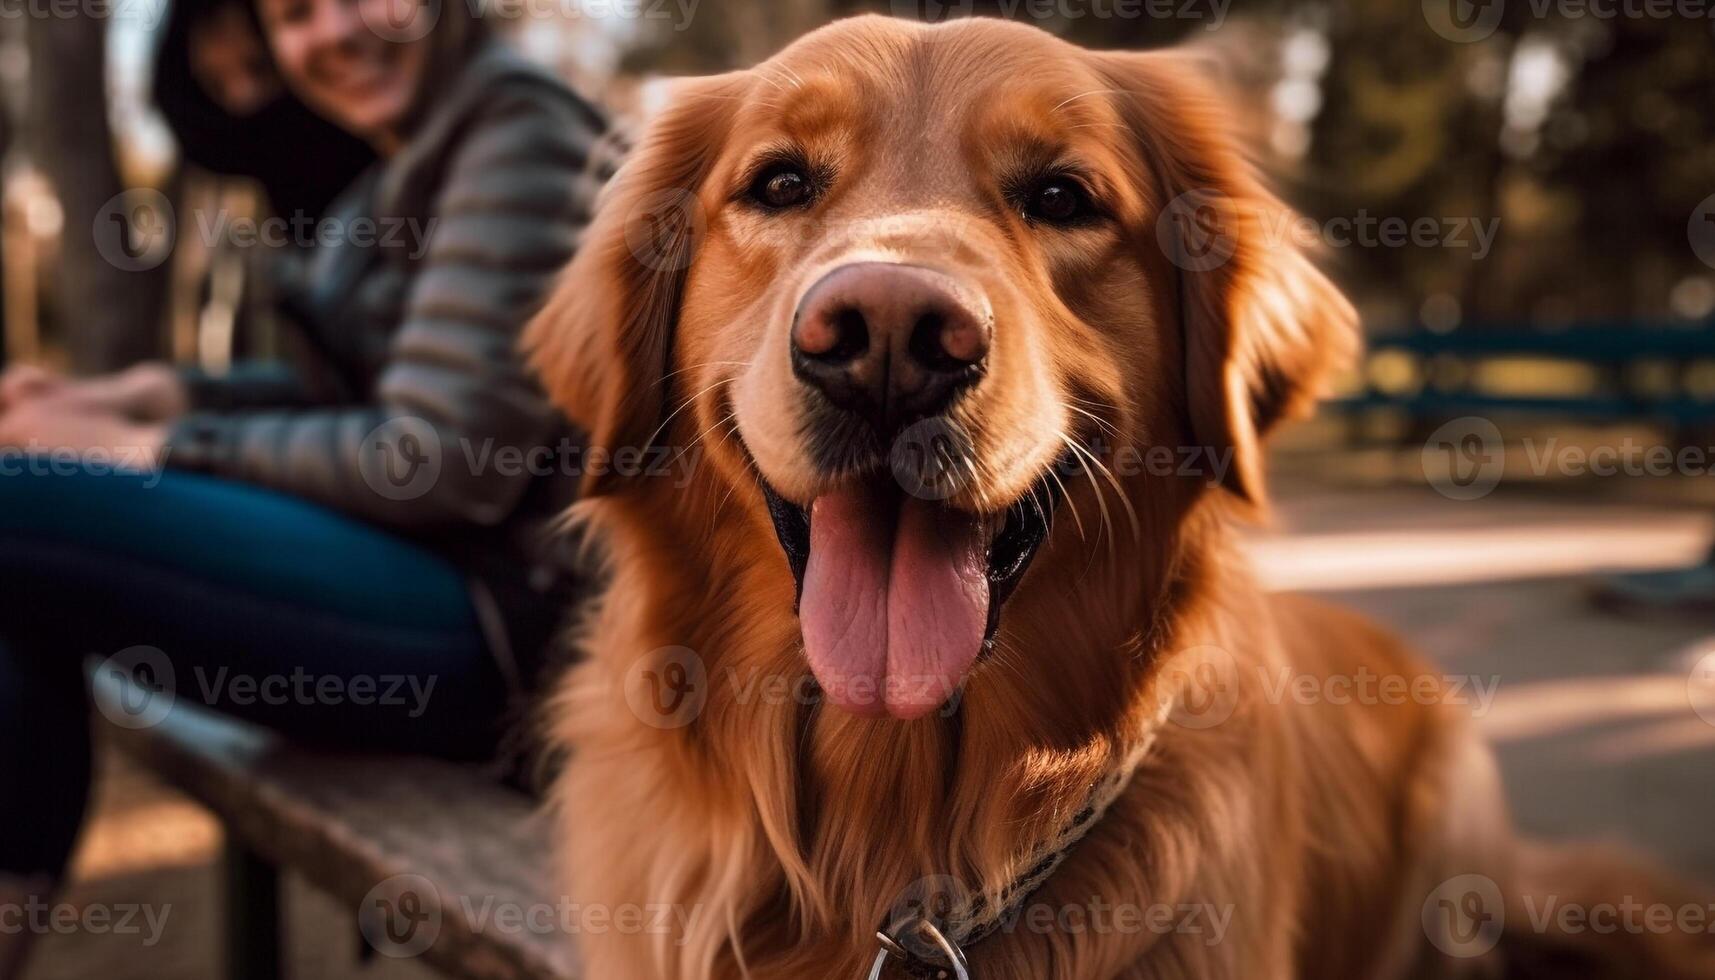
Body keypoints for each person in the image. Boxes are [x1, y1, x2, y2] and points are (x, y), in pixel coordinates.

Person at [0, 0, 607, 971]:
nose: (327, 34)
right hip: (423, 587)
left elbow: (435, 454)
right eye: (291, 15)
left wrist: (142, 446)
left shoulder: (518, 132)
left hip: (504, 629)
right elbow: (344, 391)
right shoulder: (403, 164)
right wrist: (143, 390)